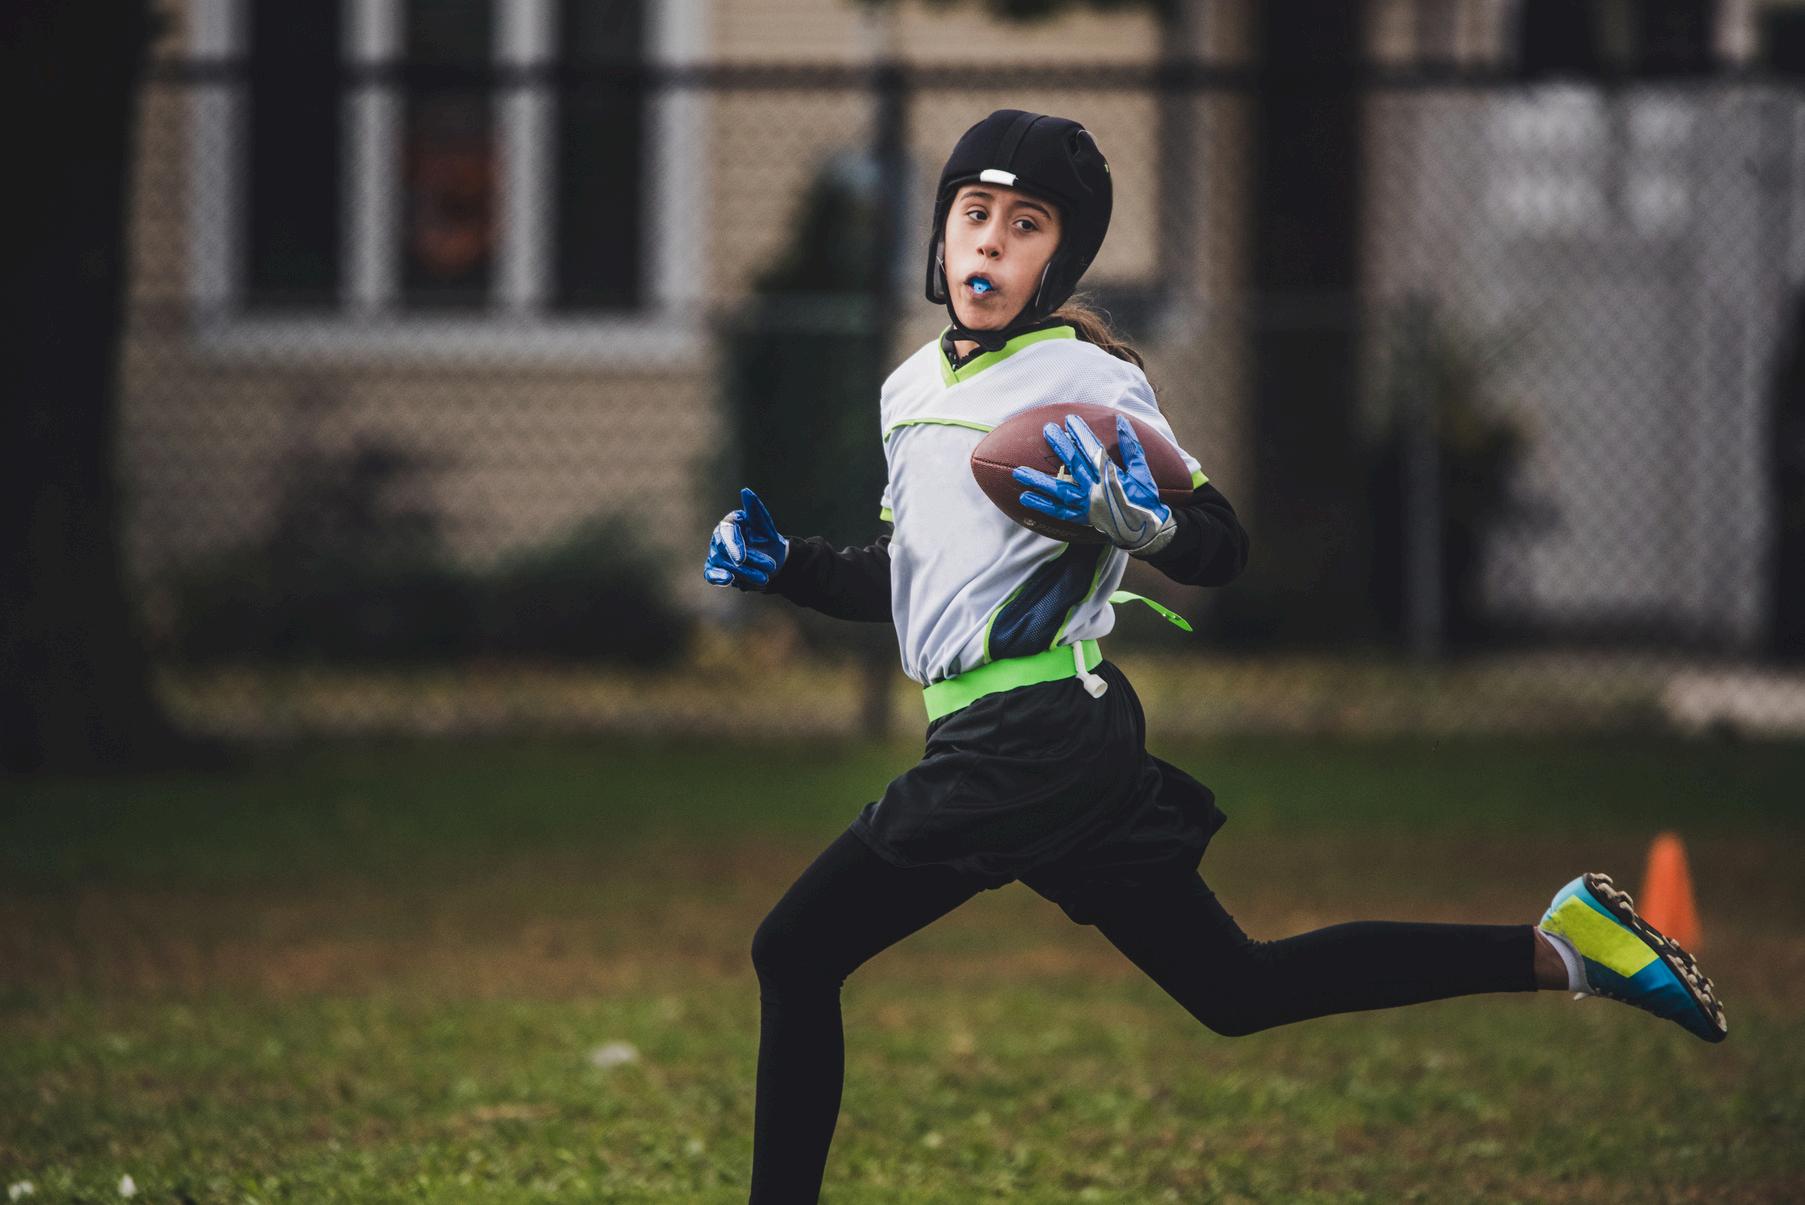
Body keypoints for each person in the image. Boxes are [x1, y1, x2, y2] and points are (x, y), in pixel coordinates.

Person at [703, 109, 1727, 1203]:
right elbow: (912, 582)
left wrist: (1144, 527)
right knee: (1237, 987)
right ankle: (1562, 947)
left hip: (1026, 738)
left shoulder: (1086, 382)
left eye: (1026, 222)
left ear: (1061, 260)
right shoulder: (908, 390)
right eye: (974, 212)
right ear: (940, 231)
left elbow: (1220, 540)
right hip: (1038, 743)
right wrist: (787, 566)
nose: (990, 240)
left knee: (794, 949)